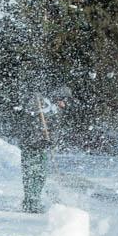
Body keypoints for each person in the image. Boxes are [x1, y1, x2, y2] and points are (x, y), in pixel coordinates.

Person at [16, 84, 70, 213]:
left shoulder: (55, 110)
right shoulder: (42, 104)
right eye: (64, 100)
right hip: (31, 146)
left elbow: (54, 129)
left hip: (41, 147)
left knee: (41, 175)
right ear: (58, 97)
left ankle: (35, 200)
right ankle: (30, 203)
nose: (65, 104)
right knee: (31, 175)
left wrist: (51, 142)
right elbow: (31, 120)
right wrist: (41, 138)